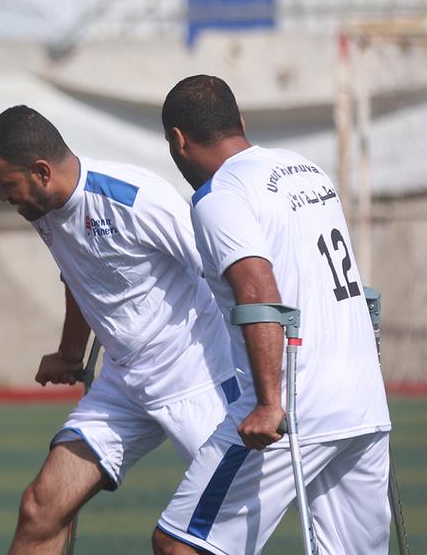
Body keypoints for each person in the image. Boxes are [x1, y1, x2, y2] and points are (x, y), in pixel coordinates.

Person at [0, 105, 241, 554]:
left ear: (41, 171)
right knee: (41, 508)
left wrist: (267, 368)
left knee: (205, 542)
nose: (4, 197)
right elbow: (78, 274)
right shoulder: (42, 207)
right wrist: (69, 352)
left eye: (7, 185)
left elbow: (225, 272)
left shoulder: (136, 199)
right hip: (123, 387)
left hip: (198, 382)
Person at [152, 75, 393, 554]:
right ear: (240, 122)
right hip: (364, 400)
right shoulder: (306, 169)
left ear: (177, 140)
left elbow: (259, 294)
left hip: (295, 403)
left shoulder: (220, 196)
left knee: (181, 545)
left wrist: (267, 403)